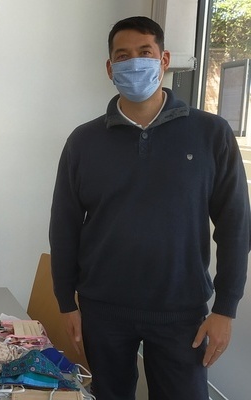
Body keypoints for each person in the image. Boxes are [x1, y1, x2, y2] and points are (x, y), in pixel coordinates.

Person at [49, 16, 250, 400]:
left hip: (181, 311)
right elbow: (64, 227)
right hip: (102, 310)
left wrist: (225, 308)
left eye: (145, 52)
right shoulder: (84, 142)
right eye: (123, 56)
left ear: (164, 59)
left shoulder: (211, 134)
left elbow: (236, 226)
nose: (134, 62)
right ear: (110, 67)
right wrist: (64, 302)